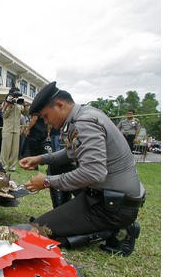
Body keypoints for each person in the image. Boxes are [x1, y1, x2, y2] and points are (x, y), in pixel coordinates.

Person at [19, 82, 145, 256]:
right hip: (106, 196)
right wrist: (42, 158)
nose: (45, 121)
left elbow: (94, 172)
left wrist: (47, 181)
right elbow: (70, 153)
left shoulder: (84, 122)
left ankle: (114, 231)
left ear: (60, 105)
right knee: (56, 164)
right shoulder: (82, 116)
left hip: (113, 206)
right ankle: (68, 217)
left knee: (38, 232)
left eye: (46, 116)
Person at [0, 92, 24, 172]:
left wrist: (22, 104)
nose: (15, 98)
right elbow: (4, 115)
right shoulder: (5, 103)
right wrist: (8, 105)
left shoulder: (18, 105)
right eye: (15, 96)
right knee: (5, 149)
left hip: (16, 130)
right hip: (8, 129)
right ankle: (3, 166)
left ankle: (12, 167)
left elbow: (24, 112)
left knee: (15, 150)